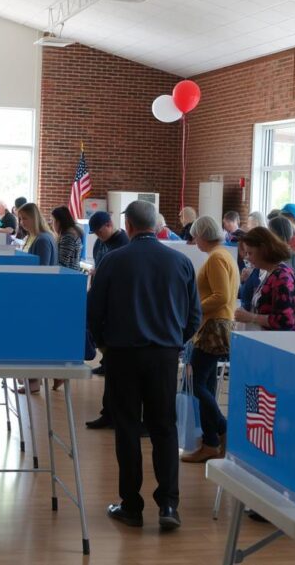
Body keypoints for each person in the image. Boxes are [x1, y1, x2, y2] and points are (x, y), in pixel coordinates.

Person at [87, 200, 201, 531]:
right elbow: (194, 316)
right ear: (154, 225)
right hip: (164, 355)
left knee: (127, 429)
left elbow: (94, 312)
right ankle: (168, 504)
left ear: (130, 226)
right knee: (164, 428)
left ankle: (131, 506)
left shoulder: (112, 261)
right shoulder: (180, 262)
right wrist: (174, 341)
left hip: (122, 354)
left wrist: (104, 345)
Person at [181, 216, 238, 464]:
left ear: (203, 235)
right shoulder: (224, 256)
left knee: (196, 385)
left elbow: (220, 296)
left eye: (195, 237)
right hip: (217, 324)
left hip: (211, 327)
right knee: (205, 385)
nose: (195, 242)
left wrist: (193, 308)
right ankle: (211, 440)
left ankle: (222, 432)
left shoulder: (216, 258)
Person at [86, 210, 131, 426]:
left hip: (115, 307)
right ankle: (108, 413)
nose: (98, 235)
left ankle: (114, 414)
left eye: (100, 230)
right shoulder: (99, 244)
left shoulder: (123, 243)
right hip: (101, 300)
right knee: (112, 368)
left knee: (118, 370)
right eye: (94, 232)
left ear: (109, 224)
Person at [16, 202, 58, 394]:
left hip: (38, 296)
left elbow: (42, 270)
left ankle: (34, 381)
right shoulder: (32, 237)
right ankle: (32, 379)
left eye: (25, 218)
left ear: (35, 217)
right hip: (29, 294)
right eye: (20, 219)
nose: (22, 222)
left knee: (33, 340)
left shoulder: (42, 239)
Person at [234, 228, 295, 331]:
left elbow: (285, 321)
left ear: (263, 250)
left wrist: (251, 317)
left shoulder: (282, 276)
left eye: (250, 253)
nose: (247, 258)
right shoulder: (270, 272)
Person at [50, 206, 83, 271]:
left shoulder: (68, 237)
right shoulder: (68, 234)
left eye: (53, 220)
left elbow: (62, 263)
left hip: (68, 276)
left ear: (59, 222)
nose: (51, 223)